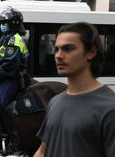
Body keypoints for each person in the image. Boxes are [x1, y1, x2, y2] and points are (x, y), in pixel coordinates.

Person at [34, 22, 115, 157]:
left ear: (91, 52)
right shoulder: (55, 102)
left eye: (68, 49)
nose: (58, 56)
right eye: (56, 49)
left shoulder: (110, 108)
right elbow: (42, 151)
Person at [0, 7, 29, 154]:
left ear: (13, 24)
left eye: (5, 23)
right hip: (1, 76)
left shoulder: (14, 40)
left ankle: (14, 140)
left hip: (12, 77)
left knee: (1, 103)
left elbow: (9, 64)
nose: (2, 25)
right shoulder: (4, 39)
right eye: (1, 23)